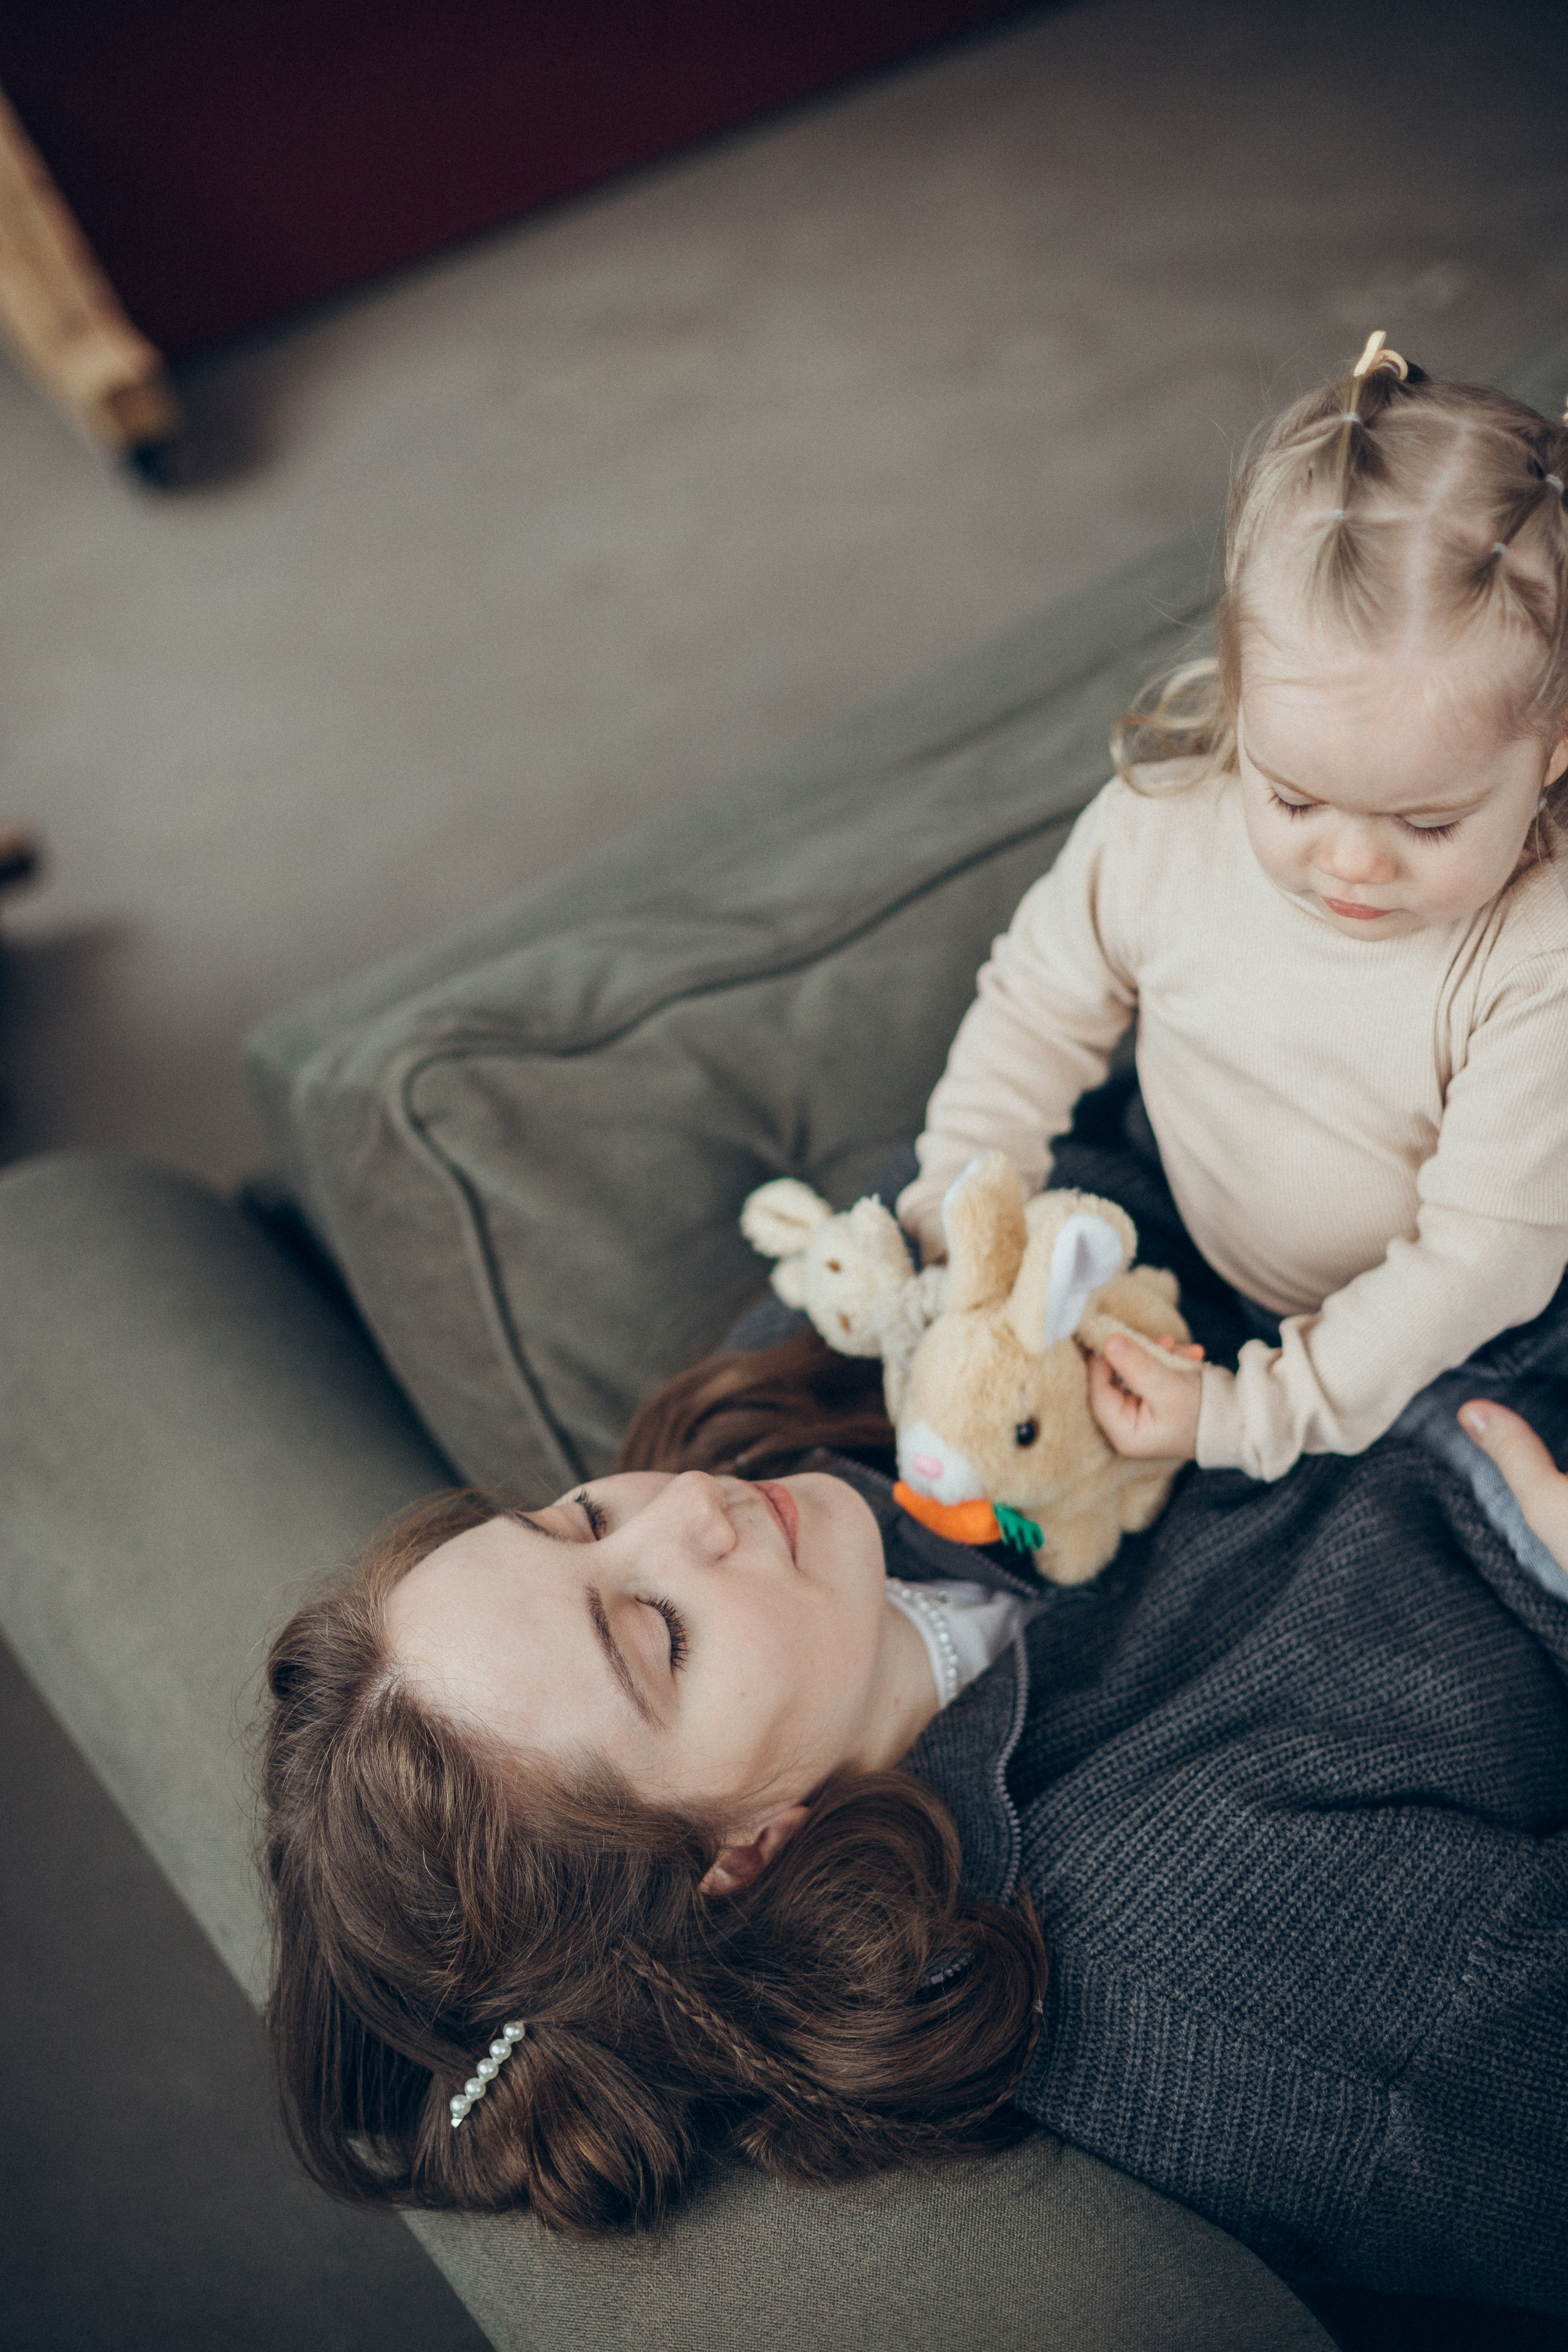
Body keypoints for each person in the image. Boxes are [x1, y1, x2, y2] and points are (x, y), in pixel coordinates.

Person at [260, 1327, 1568, 2315]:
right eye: (655, 1634)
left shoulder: (782, 1407)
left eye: (580, 1516)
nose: (685, 1505)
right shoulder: (1194, 1955)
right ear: (741, 1852)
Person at [895, 334, 1568, 1585]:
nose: (1350, 866)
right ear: (1241, 696)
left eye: (1425, 824)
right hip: (1188, 1214)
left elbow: (1471, 1264)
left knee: (1462, 1546)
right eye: (1293, 796)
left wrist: (1244, 1418)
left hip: (1468, 1333)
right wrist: (956, 1197)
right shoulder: (1164, 824)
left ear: (1548, 754)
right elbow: (1038, 1002)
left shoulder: (1536, 963)